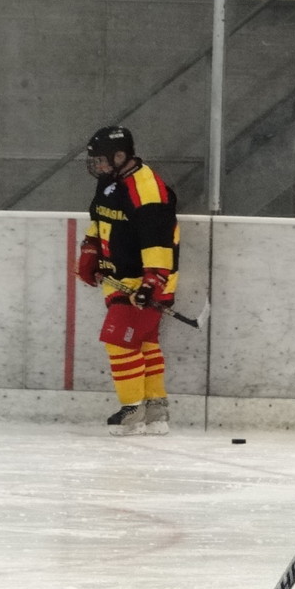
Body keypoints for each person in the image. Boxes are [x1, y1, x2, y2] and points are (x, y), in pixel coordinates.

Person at [75, 125, 180, 436]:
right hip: (120, 279)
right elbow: (99, 218)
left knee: (118, 341)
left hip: (144, 283)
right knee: (144, 342)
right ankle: (156, 411)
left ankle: (133, 411)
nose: (97, 166)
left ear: (120, 156)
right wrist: (90, 249)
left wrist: (152, 282)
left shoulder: (148, 189)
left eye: (101, 159)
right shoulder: (111, 181)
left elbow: (159, 241)